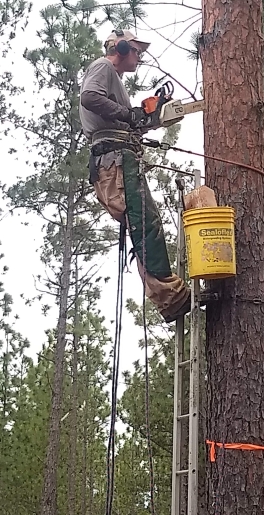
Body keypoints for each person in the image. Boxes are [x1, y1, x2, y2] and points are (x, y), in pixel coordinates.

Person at [79, 29, 191, 322]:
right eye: (136, 51)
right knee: (145, 223)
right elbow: (90, 97)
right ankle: (169, 295)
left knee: (143, 223)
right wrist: (129, 115)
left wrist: (145, 116)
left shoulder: (115, 83)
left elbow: (123, 118)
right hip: (115, 161)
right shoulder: (103, 67)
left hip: (117, 158)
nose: (139, 57)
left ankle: (167, 295)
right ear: (122, 47)